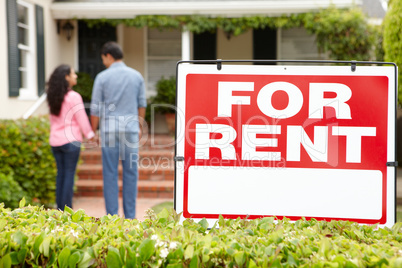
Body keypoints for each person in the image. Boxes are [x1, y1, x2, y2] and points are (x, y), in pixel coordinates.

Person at [90, 41, 146, 219]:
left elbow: (95, 107)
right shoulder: (136, 76)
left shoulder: (102, 77)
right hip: (130, 130)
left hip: (109, 131)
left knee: (110, 173)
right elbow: (142, 104)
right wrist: (139, 126)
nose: (103, 62)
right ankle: (130, 218)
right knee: (131, 173)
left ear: (108, 55)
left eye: (103, 58)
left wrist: (93, 131)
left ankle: (112, 218)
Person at [47, 64, 95, 210]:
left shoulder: (52, 96)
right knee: (69, 175)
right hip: (71, 141)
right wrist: (90, 134)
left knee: (61, 174)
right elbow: (81, 118)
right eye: (73, 74)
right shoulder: (74, 97)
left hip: (55, 141)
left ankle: (60, 210)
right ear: (66, 77)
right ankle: (67, 211)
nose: (76, 76)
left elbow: (52, 120)